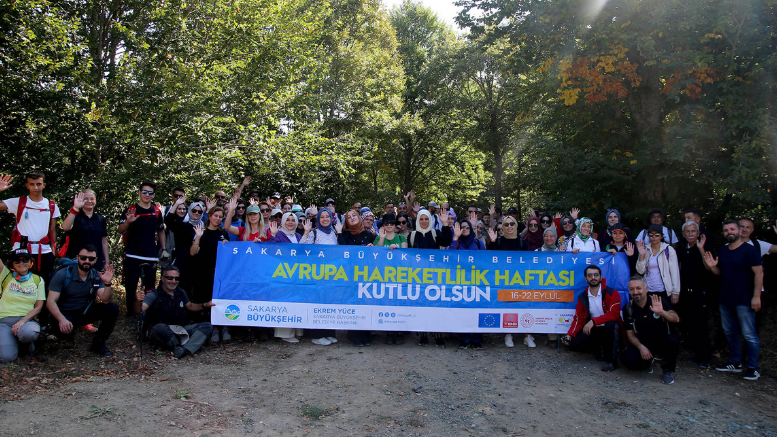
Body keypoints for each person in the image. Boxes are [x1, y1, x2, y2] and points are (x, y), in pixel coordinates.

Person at [704, 220, 763, 381]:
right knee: (730, 332)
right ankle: (735, 363)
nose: (729, 232)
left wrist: (756, 296)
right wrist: (712, 267)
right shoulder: (723, 250)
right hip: (726, 298)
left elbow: (759, 273)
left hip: (745, 299)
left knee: (749, 335)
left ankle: (753, 367)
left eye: (732, 229)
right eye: (726, 230)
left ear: (739, 231)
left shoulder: (749, 250)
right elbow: (720, 273)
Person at [47, 245, 118, 356]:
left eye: (91, 259)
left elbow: (105, 300)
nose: (87, 261)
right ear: (77, 257)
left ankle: (98, 344)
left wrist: (107, 283)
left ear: (95, 260)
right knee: (64, 333)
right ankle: (63, 334)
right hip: (63, 313)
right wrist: (62, 320)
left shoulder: (96, 276)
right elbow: (50, 302)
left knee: (112, 308)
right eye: (83, 258)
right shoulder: (63, 274)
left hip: (83, 311)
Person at [135, 266, 215, 358]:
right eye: (170, 278)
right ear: (163, 279)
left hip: (180, 329)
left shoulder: (181, 292)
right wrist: (138, 301)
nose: (173, 281)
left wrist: (205, 305)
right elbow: (139, 310)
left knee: (207, 326)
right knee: (160, 328)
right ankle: (187, 344)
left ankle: (184, 349)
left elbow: (190, 306)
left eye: (176, 279)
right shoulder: (154, 294)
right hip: (163, 330)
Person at [118, 181, 167, 316]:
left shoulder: (156, 211)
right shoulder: (131, 210)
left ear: (153, 195)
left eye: (150, 192)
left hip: (150, 255)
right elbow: (120, 230)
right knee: (131, 286)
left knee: (149, 288)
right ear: (139, 192)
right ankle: (132, 314)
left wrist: (164, 249)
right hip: (132, 254)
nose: (147, 194)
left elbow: (160, 231)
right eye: (144, 191)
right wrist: (128, 222)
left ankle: (147, 314)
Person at [562, 265, 622, 372]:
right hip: (594, 329)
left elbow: (614, 315)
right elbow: (578, 318)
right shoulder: (583, 296)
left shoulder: (612, 293)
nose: (593, 277)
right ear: (586, 279)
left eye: (596, 275)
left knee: (611, 324)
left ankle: (611, 361)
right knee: (573, 344)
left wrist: (593, 321)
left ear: (601, 277)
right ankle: (598, 348)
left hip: (610, 329)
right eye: (590, 275)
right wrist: (570, 335)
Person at [621, 276, 680, 384]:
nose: (635, 292)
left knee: (673, 340)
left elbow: (676, 319)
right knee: (628, 361)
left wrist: (662, 312)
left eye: (638, 288)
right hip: (644, 342)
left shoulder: (657, 300)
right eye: (632, 289)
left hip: (662, 340)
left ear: (646, 289)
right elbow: (630, 334)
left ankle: (668, 370)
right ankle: (647, 362)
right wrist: (641, 347)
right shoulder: (628, 308)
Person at [486, 214, 531, 348]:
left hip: (520, 280)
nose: (509, 226)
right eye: (506, 224)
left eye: (512, 224)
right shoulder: (499, 241)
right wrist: (493, 242)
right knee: (508, 307)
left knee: (523, 306)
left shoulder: (523, 242)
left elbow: (528, 262)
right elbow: (491, 258)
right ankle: (508, 334)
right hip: (503, 280)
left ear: (516, 226)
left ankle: (527, 335)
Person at [190, 206, 231, 343]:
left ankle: (223, 328)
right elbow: (193, 252)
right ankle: (211, 329)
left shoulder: (223, 233)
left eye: (220, 217)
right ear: (209, 216)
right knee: (207, 300)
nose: (218, 219)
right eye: (216, 216)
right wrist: (198, 238)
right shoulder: (202, 232)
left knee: (221, 300)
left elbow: (230, 253)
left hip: (221, 273)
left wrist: (227, 246)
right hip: (204, 272)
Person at [300, 208, 339, 345]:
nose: (325, 219)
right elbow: (301, 249)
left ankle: (329, 333)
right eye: (322, 217)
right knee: (317, 304)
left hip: (331, 275)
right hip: (316, 274)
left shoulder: (334, 233)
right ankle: (316, 335)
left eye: (327, 216)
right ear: (318, 219)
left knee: (329, 303)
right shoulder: (314, 233)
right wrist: (306, 232)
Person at [677, 220, 712, 368]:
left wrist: (701, 249)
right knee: (689, 324)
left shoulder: (705, 247)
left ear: (698, 233)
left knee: (701, 325)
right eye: (688, 231)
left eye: (693, 231)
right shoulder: (681, 248)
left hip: (700, 292)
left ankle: (704, 358)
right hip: (685, 292)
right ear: (684, 234)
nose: (690, 234)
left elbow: (709, 267)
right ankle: (696, 354)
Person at [0, 245, 45, 362]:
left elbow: (38, 307)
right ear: (12, 264)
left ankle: (24, 343)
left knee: (30, 332)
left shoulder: (38, 280)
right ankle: (11, 342)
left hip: (26, 321)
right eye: (17, 261)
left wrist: (22, 321)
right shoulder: (5, 276)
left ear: (31, 262)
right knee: (7, 357)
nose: (21, 263)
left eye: (25, 260)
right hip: (4, 322)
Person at [448, 218, 486, 349]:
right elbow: (449, 258)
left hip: (477, 281)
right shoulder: (456, 243)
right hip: (460, 282)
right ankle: (464, 338)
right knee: (462, 311)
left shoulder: (479, 243)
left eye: (467, 227)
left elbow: (486, 260)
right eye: (462, 227)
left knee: (477, 310)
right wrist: (455, 238)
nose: (465, 229)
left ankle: (477, 339)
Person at [268, 213, 305, 343]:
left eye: (293, 220)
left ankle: (297, 331)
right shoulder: (279, 235)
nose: (290, 222)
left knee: (297, 301)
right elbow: (272, 251)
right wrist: (273, 235)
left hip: (298, 274)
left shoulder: (298, 236)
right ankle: (285, 334)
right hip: (283, 274)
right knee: (286, 302)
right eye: (287, 220)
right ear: (283, 221)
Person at [62, 190, 110, 271]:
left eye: (92, 199)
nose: (89, 201)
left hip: (95, 262)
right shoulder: (75, 216)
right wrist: (75, 208)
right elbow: (65, 227)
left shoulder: (100, 219)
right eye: (86, 199)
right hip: (76, 262)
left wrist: (107, 262)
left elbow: (104, 241)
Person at [636, 224, 681, 303]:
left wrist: (675, 292)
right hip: (648, 290)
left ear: (661, 236)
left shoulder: (668, 250)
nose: (654, 237)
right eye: (651, 235)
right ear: (648, 236)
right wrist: (642, 255)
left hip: (665, 291)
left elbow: (675, 272)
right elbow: (640, 271)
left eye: (657, 235)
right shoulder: (645, 249)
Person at [164, 196, 199, 297]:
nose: (196, 213)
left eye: (199, 211)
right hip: (182, 262)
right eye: (194, 211)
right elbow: (168, 220)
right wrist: (176, 204)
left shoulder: (203, 226)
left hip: (197, 264)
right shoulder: (182, 226)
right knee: (181, 290)